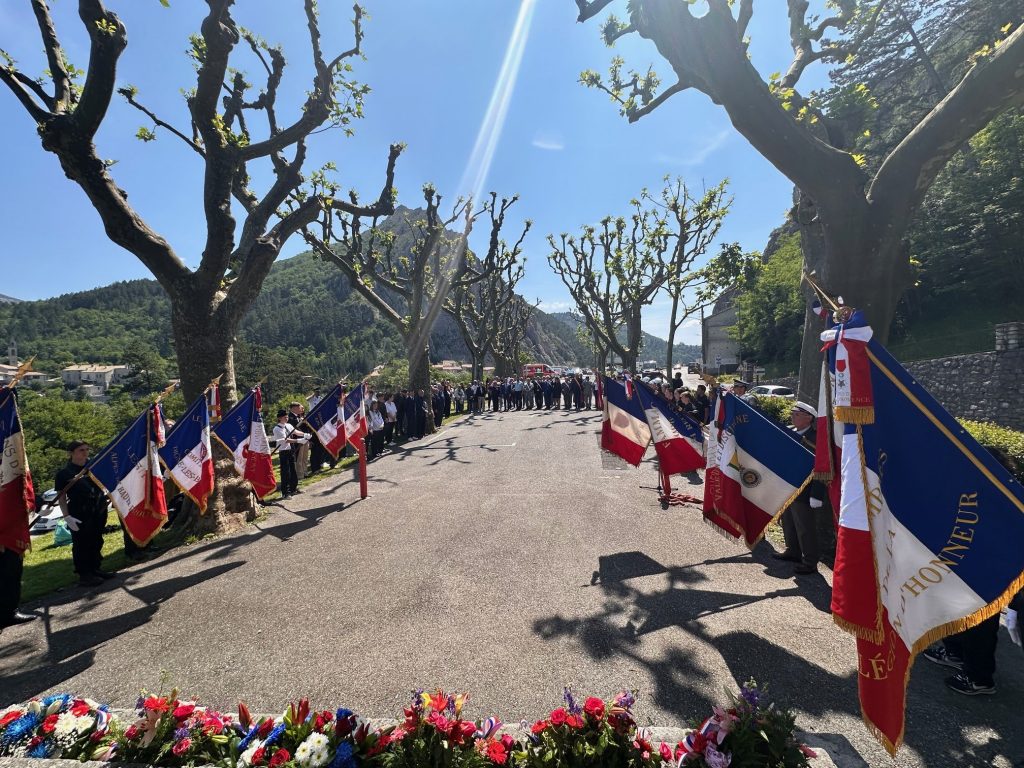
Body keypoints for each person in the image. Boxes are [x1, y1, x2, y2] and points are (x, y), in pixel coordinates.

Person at [774, 402, 827, 574]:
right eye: (793, 413)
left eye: (797, 414)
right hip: (787, 485)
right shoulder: (790, 431)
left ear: (808, 417)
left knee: (805, 526)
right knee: (788, 521)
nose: (792, 416)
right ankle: (793, 551)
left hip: (805, 488)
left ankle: (810, 561)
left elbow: (821, 467)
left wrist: (816, 493)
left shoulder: (816, 438)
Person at [56, 440, 112, 587]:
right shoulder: (64, 473)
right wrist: (66, 516)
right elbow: (61, 497)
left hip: (98, 508)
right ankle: (85, 574)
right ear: (71, 453)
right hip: (79, 511)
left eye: (87, 449)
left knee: (97, 539)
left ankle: (96, 568)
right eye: (81, 450)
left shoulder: (93, 468)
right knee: (82, 543)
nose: (85, 452)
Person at [273, 409, 308, 498]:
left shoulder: (288, 425)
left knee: (293, 470)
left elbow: (296, 432)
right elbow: (285, 439)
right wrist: (298, 440)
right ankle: (285, 492)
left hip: (291, 450)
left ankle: (293, 488)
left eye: (287, 416)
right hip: (283, 451)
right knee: (286, 472)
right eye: (285, 417)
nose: (287, 418)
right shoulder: (277, 429)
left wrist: (305, 435)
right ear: (280, 418)